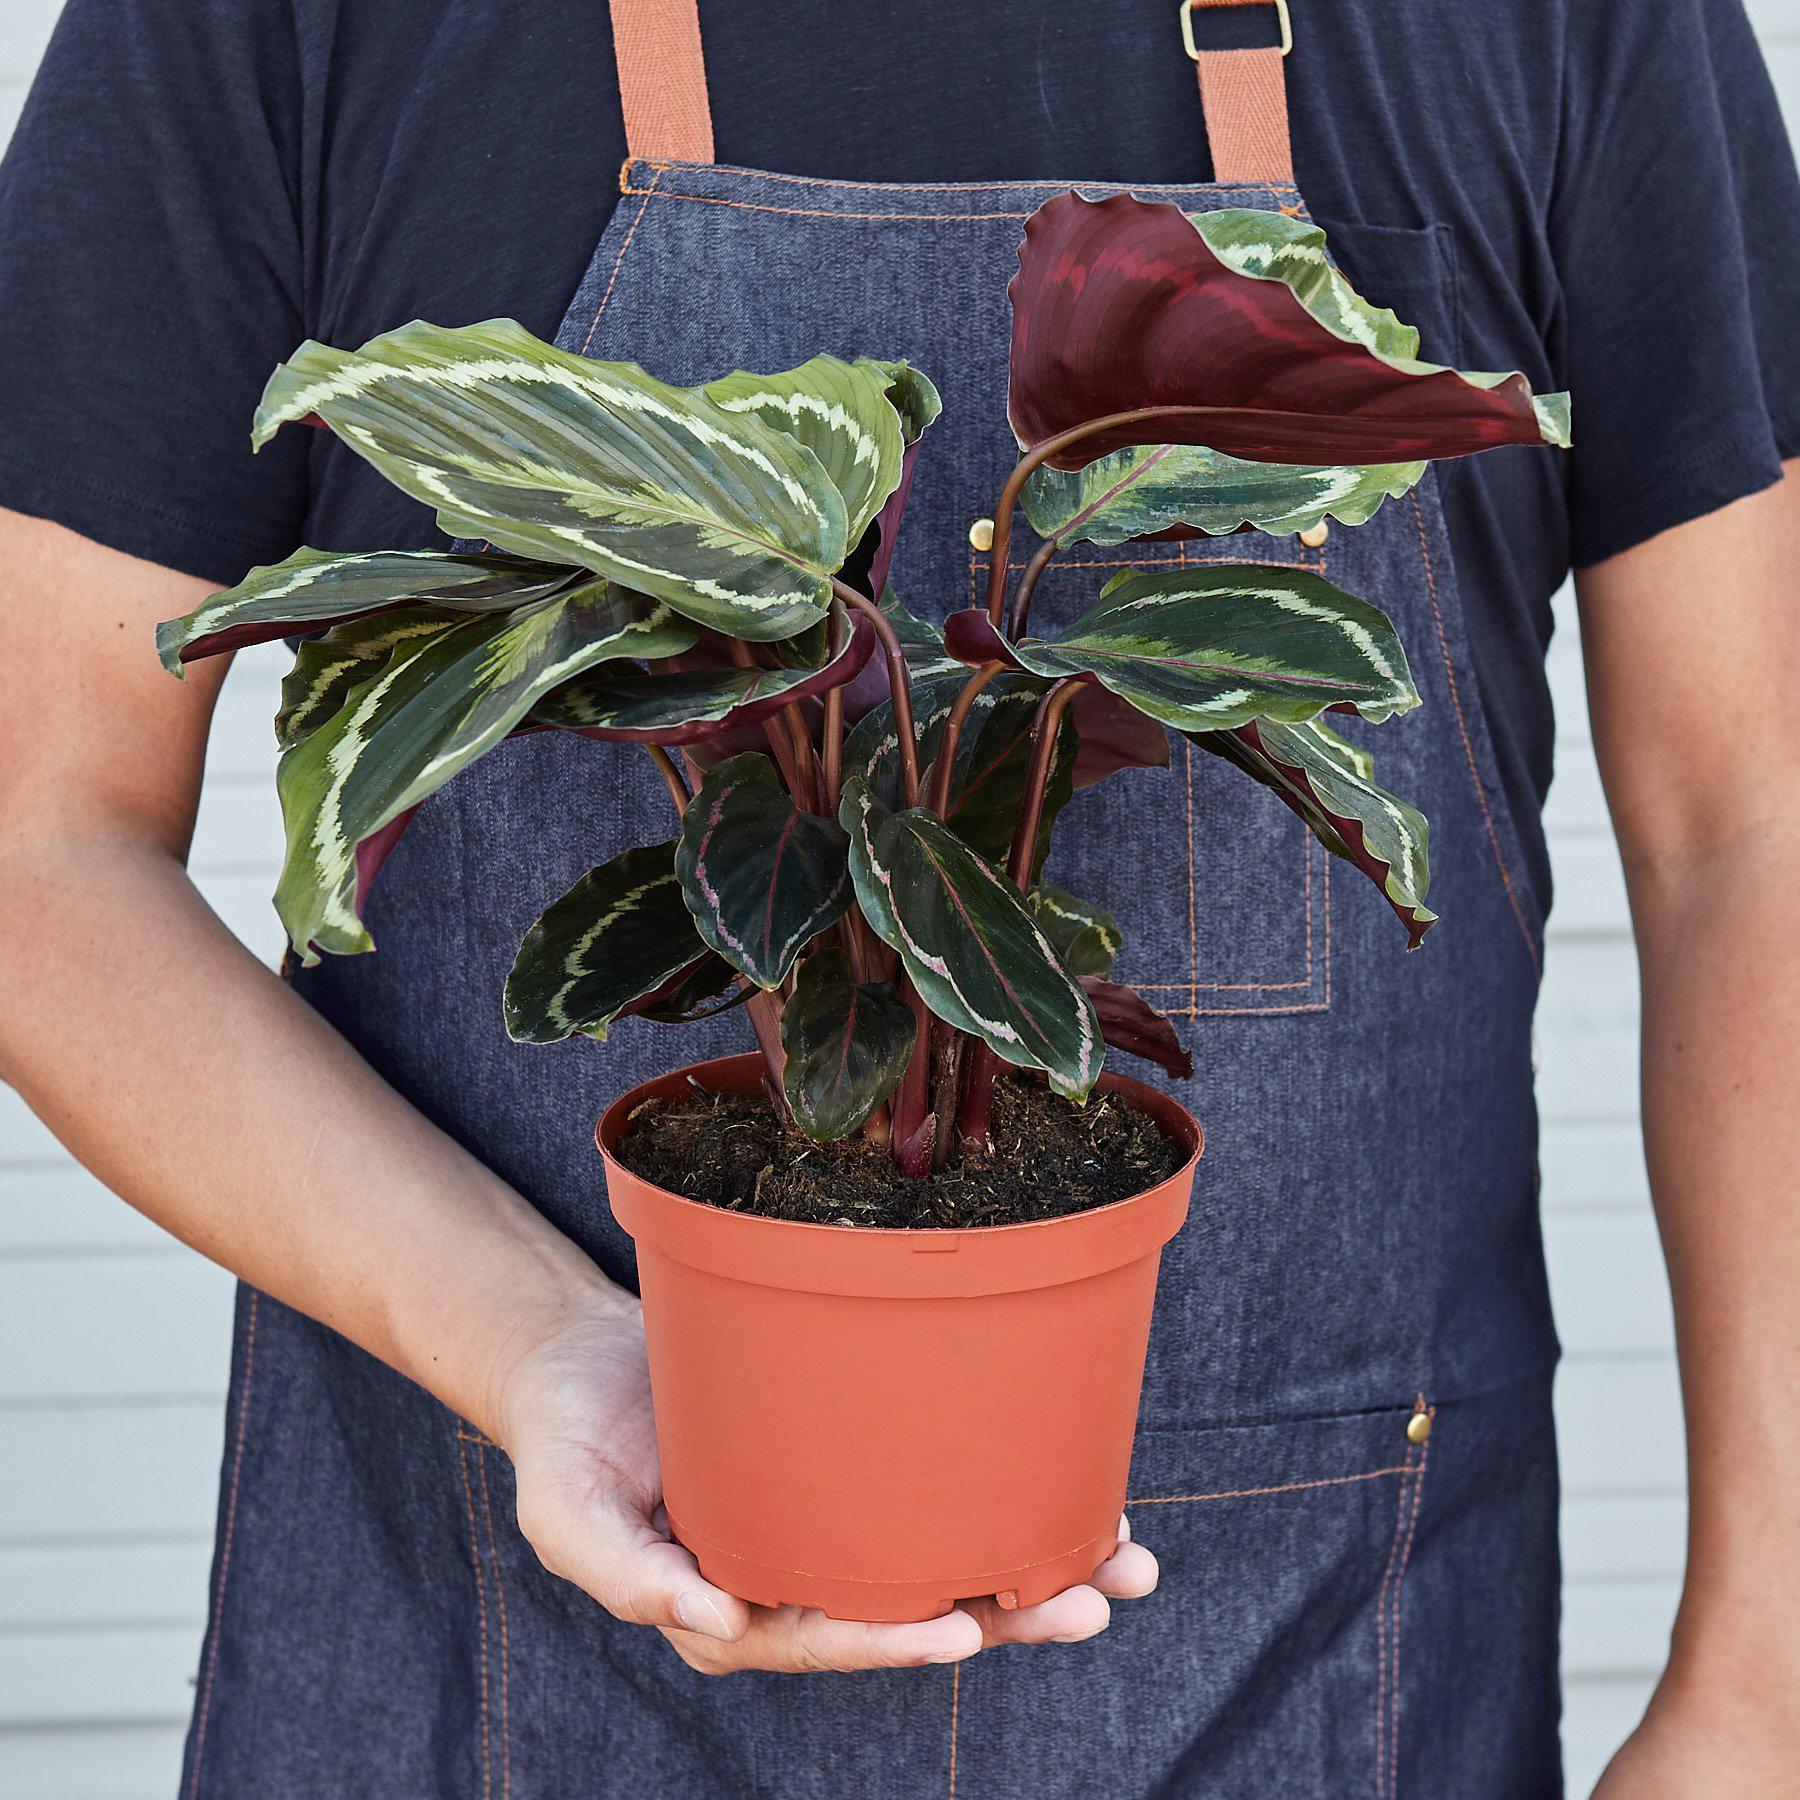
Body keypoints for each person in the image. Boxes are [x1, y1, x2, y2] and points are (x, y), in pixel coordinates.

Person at [1, 0, 1797, 1792]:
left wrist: (1760, 1701)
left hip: (1325, 1673)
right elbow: (40, 839)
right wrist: (536, 1344)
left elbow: (1752, 823)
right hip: (482, 1672)